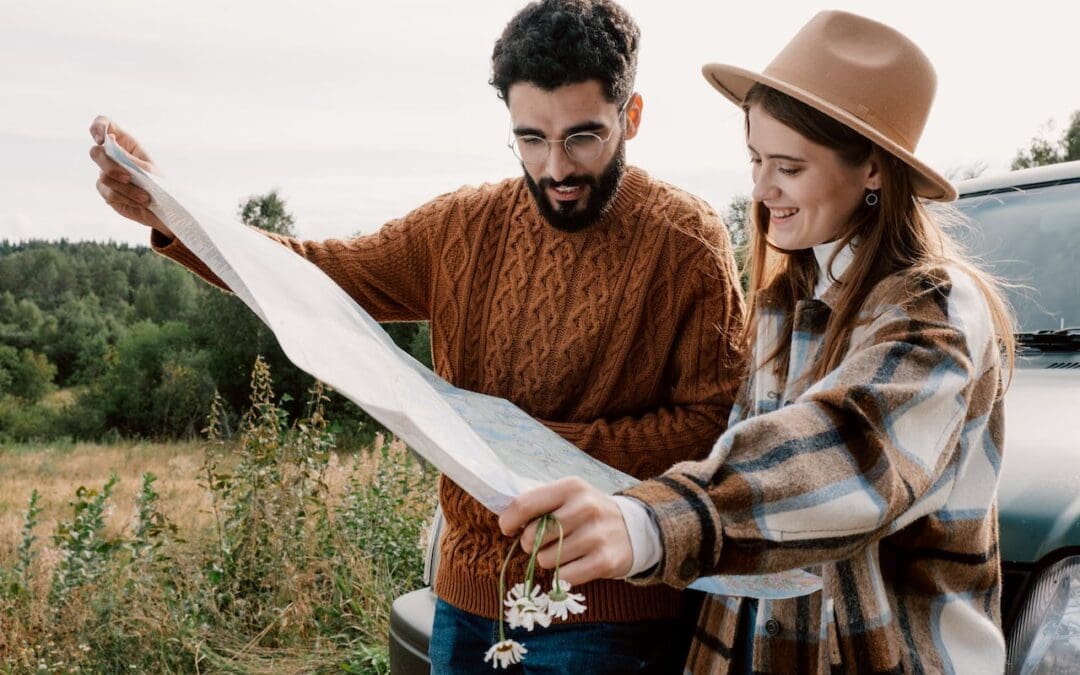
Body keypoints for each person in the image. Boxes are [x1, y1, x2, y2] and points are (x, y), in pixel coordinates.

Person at [88, 0, 746, 672]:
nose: (555, 168)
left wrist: (526, 454)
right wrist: (171, 207)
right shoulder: (461, 227)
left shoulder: (688, 242)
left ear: (630, 116)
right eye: (530, 138)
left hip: (609, 619)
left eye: (583, 136)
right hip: (461, 605)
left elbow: (715, 428)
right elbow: (312, 271)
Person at [499, 10, 1015, 674]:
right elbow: (743, 475)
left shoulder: (935, 309)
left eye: (790, 168)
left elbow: (850, 455)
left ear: (874, 173)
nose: (761, 188)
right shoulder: (783, 305)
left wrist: (650, 522)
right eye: (756, 159)